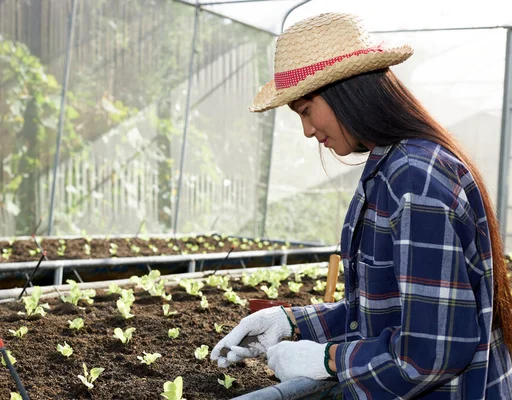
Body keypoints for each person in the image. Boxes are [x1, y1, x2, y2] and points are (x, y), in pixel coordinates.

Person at [210, 12, 512, 399]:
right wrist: (289, 322)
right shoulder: (391, 166)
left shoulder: (414, 178)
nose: (306, 130)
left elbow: (431, 352)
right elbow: (385, 310)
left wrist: (327, 360)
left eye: (306, 110)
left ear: (346, 93)